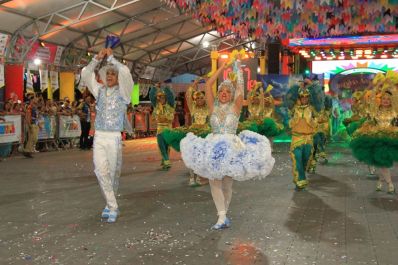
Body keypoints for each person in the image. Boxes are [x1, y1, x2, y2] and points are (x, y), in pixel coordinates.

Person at [180, 53, 275, 230]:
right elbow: (208, 84)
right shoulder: (212, 106)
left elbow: (240, 88)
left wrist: (237, 68)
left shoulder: (236, 106)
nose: (224, 94)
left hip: (231, 148)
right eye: (222, 91)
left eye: (227, 92)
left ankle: (225, 213)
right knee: (214, 182)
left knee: (227, 184)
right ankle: (221, 216)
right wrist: (222, 68)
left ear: (231, 95)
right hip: (213, 148)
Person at [81, 47, 134, 223]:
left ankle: (108, 204)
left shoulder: (124, 93)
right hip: (100, 137)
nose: (110, 76)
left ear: (117, 77)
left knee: (111, 173)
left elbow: (126, 72)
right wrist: (96, 59)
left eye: (113, 74)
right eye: (107, 74)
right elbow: (85, 74)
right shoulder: (99, 91)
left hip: (114, 137)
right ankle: (113, 206)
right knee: (100, 170)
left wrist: (112, 58)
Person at [350, 77, 398, 194]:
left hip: (391, 140)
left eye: (388, 99)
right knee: (383, 164)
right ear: (380, 100)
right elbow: (371, 99)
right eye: (383, 99)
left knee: (383, 163)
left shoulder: (394, 111)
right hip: (377, 140)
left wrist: (391, 86)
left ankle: (380, 182)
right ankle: (390, 184)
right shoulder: (375, 111)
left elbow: (396, 97)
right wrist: (378, 85)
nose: (386, 100)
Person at [285, 82, 322, 190]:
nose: (304, 99)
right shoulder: (294, 109)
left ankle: (301, 175)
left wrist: (311, 121)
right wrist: (293, 121)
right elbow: (288, 121)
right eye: (302, 97)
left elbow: (317, 121)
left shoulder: (312, 109)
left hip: (308, 139)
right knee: (297, 159)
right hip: (296, 138)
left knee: (306, 160)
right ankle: (300, 180)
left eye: (306, 97)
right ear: (299, 98)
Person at [149, 82, 175, 170]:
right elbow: (151, 96)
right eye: (159, 97)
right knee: (161, 145)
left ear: (166, 98)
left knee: (167, 146)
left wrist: (165, 87)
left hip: (168, 129)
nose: (160, 98)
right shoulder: (157, 105)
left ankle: (166, 161)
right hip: (160, 129)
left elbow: (171, 96)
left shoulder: (170, 105)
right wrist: (155, 87)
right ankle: (166, 161)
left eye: (162, 97)